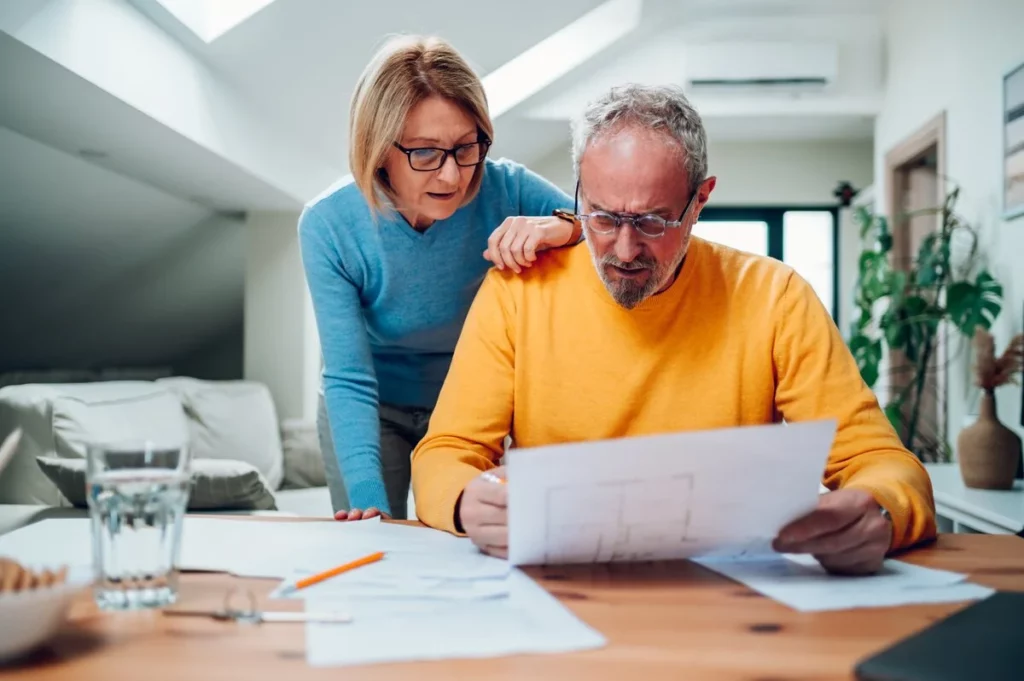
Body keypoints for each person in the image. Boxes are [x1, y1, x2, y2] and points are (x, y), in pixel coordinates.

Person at [410, 84, 936, 575]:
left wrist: (882, 511)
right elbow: (444, 452)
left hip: (729, 589)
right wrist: (464, 501)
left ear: (700, 200)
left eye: (653, 222)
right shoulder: (518, 292)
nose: (623, 249)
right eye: (601, 216)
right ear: (577, 194)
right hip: (562, 586)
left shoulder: (774, 296)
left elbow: (881, 461)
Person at [300, 35, 578, 521]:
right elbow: (348, 376)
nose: (452, 176)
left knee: (467, 541)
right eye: (425, 153)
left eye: (466, 147)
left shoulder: (505, 186)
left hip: (467, 408)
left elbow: (606, 226)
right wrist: (366, 500)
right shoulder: (328, 224)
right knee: (372, 542)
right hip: (371, 406)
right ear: (377, 148)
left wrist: (561, 226)